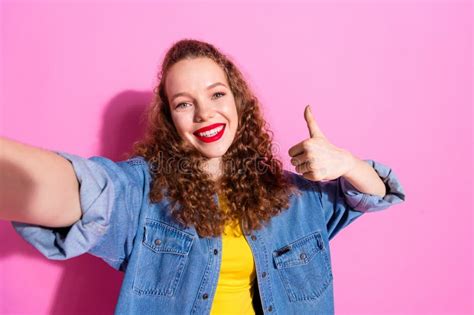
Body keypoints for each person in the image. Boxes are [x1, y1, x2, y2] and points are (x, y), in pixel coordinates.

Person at [1, 39, 406, 314]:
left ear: (237, 101)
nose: (204, 113)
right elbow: (82, 189)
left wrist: (348, 164)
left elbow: (374, 194)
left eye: (216, 94)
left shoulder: (293, 196)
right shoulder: (144, 193)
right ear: (169, 119)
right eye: (183, 103)